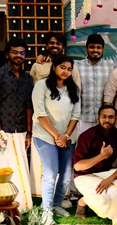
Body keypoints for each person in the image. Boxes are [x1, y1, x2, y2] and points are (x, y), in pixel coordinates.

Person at [29, 32, 81, 199]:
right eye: (62, 68)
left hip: (67, 135)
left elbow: (76, 113)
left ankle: (57, 204)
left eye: (69, 69)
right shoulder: (41, 77)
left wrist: (65, 136)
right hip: (45, 134)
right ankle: (47, 209)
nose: (66, 71)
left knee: (65, 175)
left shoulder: (73, 89)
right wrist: (57, 136)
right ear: (54, 68)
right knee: (50, 173)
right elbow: (40, 112)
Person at [0, 38, 34, 211]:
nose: (19, 56)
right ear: (7, 54)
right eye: (15, 52)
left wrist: (29, 132)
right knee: (2, 168)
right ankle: (1, 207)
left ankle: (23, 207)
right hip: (3, 130)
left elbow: (29, 106)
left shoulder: (27, 79)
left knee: (21, 166)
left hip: (21, 129)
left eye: (22, 53)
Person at [72, 104, 117, 225]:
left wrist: (110, 179)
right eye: (104, 117)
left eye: (111, 117)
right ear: (98, 118)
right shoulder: (88, 135)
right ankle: (83, 201)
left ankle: (91, 200)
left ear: (115, 119)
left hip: (106, 174)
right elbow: (77, 166)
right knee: (102, 198)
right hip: (85, 176)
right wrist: (101, 156)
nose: (107, 120)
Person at [78, 34, 114, 133]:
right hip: (83, 118)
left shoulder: (111, 65)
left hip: (104, 120)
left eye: (98, 47)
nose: (95, 50)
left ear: (103, 50)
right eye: (92, 47)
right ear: (86, 49)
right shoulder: (76, 66)